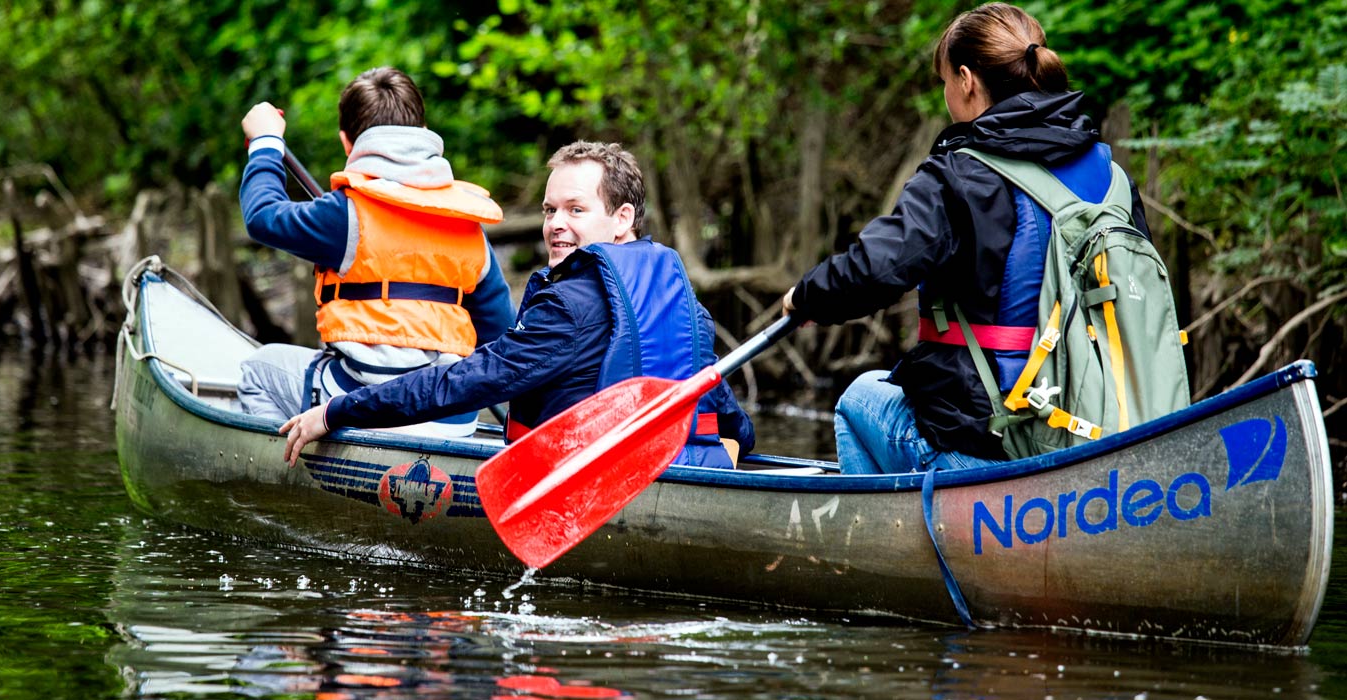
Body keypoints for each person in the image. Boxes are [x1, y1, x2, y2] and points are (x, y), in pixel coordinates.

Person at [783, 3, 1156, 474]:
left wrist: (806, 296)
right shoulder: (1111, 177)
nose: (946, 93)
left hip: (990, 440)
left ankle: (889, 544)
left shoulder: (960, 175)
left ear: (966, 79)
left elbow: (878, 267)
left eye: (944, 82)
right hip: (1097, 434)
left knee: (860, 398)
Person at [279, 141, 754, 469]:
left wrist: (337, 411)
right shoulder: (685, 305)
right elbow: (726, 414)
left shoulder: (570, 305)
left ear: (621, 217)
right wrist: (742, 443)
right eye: (550, 210)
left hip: (591, 484)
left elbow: (462, 383)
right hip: (671, 465)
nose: (556, 225)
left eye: (576, 209)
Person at [237, 66, 516, 437]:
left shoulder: (344, 216)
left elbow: (261, 216)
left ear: (346, 142)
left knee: (257, 369)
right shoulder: (468, 224)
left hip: (364, 404)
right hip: (453, 417)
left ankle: (291, 477)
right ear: (423, 132)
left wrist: (266, 142)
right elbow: (500, 335)